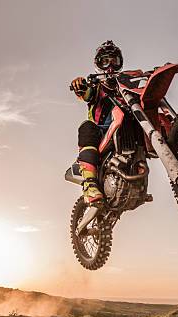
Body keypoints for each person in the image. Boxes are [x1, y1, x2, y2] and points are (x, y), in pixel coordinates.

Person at [70, 40, 123, 204]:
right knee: (87, 127)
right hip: (102, 133)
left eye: (114, 61)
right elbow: (86, 93)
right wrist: (80, 85)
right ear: (98, 64)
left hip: (125, 131)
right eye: (105, 61)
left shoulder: (125, 85)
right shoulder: (97, 85)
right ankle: (89, 184)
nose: (110, 66)